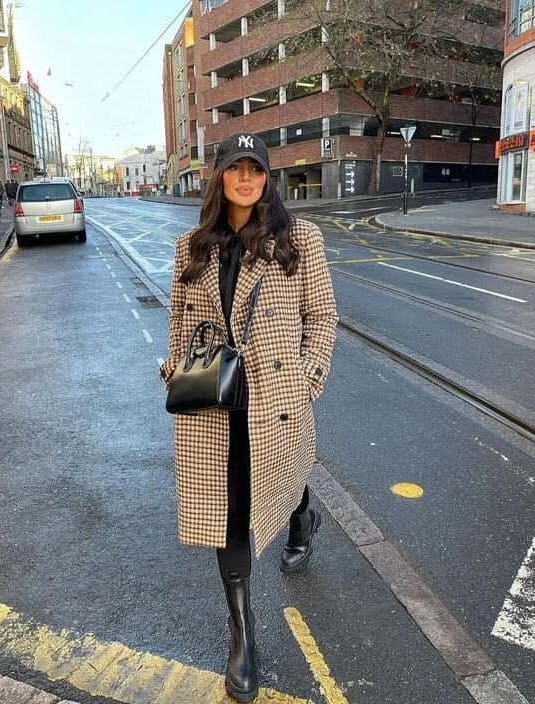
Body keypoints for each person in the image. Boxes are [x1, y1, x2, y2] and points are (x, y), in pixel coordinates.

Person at [160, 133, 338, 702]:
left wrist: (306, 381)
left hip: (275, 398)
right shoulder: (192, 246)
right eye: (234, 168)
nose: (245, 178)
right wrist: (176, 374)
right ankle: (244, 635)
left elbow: (323, 317)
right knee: (229, 514)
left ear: (267, 177)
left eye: (255, 168)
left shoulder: (299, 240)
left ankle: (302, 515)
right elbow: (179, 326)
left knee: (282, 475)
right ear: (218, 177)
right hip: (213, 406)